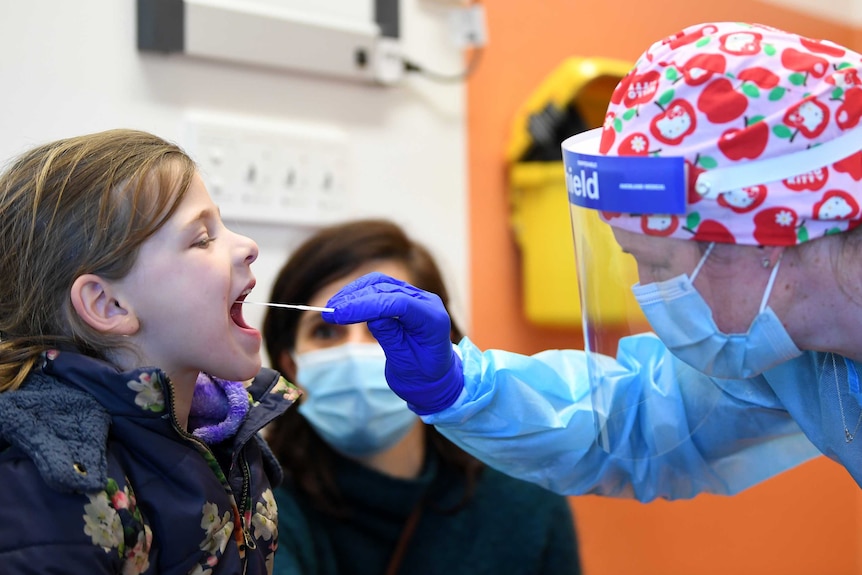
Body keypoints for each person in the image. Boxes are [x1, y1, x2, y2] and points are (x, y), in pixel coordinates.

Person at [316, 21, 862, 502]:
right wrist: (458, 386)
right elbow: (637, 425)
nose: (647, 290)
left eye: (654, 263)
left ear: (764, 236)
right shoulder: (795, 356)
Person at [0, 129, 298, 573]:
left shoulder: (231, 439)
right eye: (202, 238)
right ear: (109, 305)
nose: (248, 246)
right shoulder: (49, 484)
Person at [262, 219, 582, 574]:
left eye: (388, 327)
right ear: (291, 365)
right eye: (325, 332)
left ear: (440, 348)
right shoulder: (259, 506)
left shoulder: (526, 502)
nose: (356, 353)